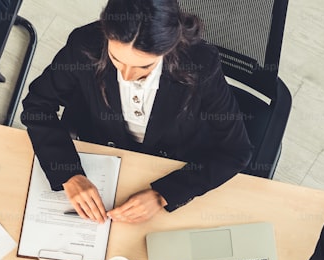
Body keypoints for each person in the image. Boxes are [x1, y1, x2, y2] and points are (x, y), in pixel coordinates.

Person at [20, 0, 252, 225]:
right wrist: (67, 173)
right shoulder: (84, 44)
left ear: (169, 47)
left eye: (144, 67)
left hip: (171, 163)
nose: (127, 76)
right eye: (116, 59)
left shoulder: (202, 63)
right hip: (102, 152)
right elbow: (38, 105)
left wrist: (164, 194)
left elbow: (236, 150)